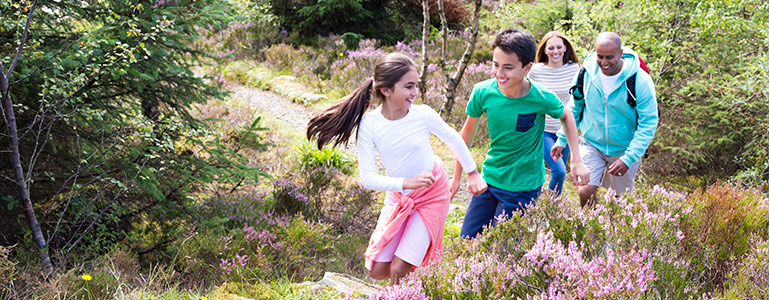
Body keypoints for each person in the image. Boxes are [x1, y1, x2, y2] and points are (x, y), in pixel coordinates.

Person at [306, 53, 487, 285]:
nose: (415, 93)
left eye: (417, 86)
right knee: (378, 270)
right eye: (409, 86)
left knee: (400, 268)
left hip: (432, 194)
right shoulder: (370, 124)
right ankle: (417, 284)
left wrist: (472, 173)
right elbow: (367, 178)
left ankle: (403, 290)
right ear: (386, 90)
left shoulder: (423, 115)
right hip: (399, 196)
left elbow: (453, 139)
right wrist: (405, 183)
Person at [449, 28, 589, 240]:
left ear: (527, 67)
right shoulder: (483, 92)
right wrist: (459, 176)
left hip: (523, 187)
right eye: (496, 65)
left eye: (508, 67)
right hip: (489, 180)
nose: (499, 73)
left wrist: (576, 160)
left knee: (503, 249)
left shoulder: (540, 97)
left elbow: (567, 116)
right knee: (467, 242)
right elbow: (466, 134)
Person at [552, 32, 658, 207]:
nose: (604, 62)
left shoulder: (639, 80)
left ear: (621, 53)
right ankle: (590, 228)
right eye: (600, 57)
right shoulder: (586, 75)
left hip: (625, 148)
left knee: (621, 201)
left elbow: (648, 123)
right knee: (584, 189)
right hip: (591, 143)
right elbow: (573, 109)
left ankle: (615, 231)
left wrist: (629, 157)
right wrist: (562, 139)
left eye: (610, 57)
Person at [527, 31, 581, 195]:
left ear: (565, 48)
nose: (555, 51)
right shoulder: (536, 71)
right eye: (551, 48)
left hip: (564, 131)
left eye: (559, 47)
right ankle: (544, 206)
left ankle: (550, 211)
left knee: (559, 175)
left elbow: (578, 100)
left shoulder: (574, 69)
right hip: (542, 130)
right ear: (544, 50)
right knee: (559, 171)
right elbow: (526, 95)